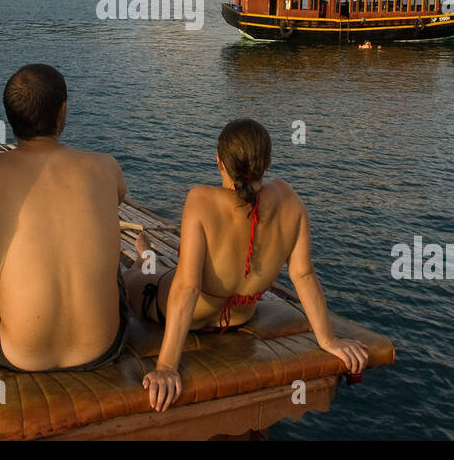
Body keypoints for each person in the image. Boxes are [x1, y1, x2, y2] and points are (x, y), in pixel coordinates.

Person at [124, 119, 372, 412]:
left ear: (219, 161)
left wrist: (166, 365)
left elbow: (188, 287)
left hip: (176, 308)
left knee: (133, 276)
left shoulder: (201, 200)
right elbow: (303, 275)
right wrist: (328, 339)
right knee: (167, 270)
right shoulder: (290, 201)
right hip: (240, 316)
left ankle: (144, 253)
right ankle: (149, 252)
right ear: (267, 162)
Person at [0, 64, 130, 372]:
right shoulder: (105, 165)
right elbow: (118, 197)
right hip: (104, 346)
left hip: (17, 353)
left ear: (10, 116)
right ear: (63, 111)